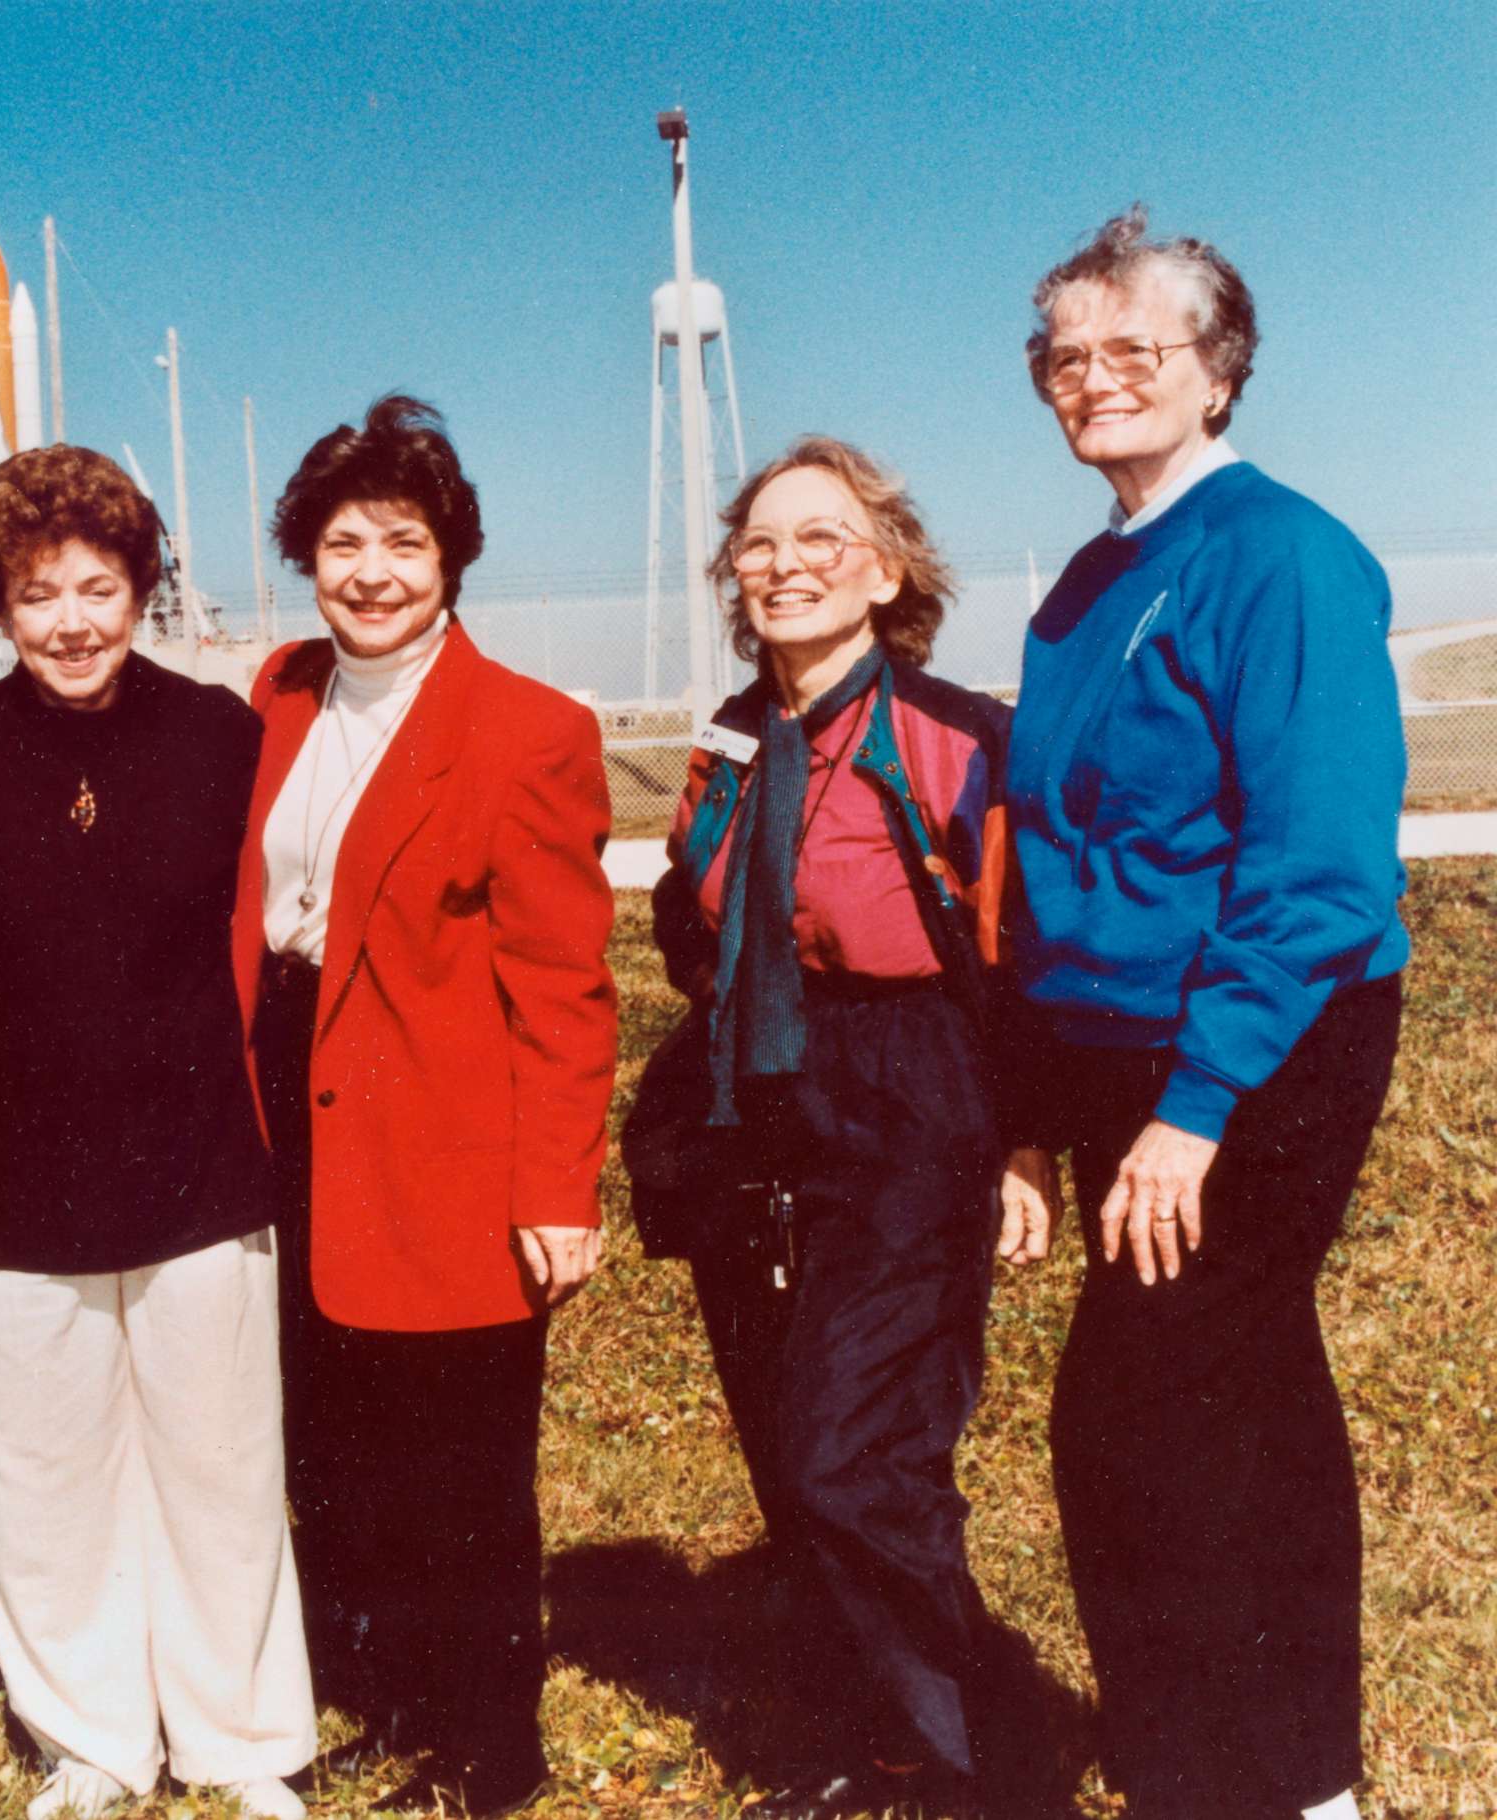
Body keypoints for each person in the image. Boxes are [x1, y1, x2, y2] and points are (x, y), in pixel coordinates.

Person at [1009, 207, 1406, 1820]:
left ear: (1217, 374)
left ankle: (1247, 1779)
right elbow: (1053, 865)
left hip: (1259, 1048)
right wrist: (1040, 1120)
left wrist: (1198, 1105)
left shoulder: (1283, 556)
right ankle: (1271, 1772)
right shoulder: (1088, 582)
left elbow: (1315, 865)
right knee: (1228, 1400)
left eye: (1133, 350)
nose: (1094, 379)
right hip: (1117, 1055)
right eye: (1064, 356)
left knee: (1146, 1422)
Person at [649, 436, 1051, 1819]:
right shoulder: (727, 735)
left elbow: (1018, 951)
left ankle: (972, 1759)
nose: (785, 566)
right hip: (758, 1101)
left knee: (853, 1447)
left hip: (912, 1093)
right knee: (791, 1439)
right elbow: (679, 913)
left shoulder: (953, 734)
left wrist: (1023, 1143)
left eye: (821, 539)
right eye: (759, 545)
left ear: (882, 571)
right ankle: (880, 1729)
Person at [232, 396, 617, 1818]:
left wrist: (556, 1188)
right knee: (320, 1440)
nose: (372, 572)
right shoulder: (276, 694)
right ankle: (379, 1697)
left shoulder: (526, 729)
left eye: (402, 541)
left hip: (438, 1123)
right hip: (284, 1098)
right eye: (343, 543)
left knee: (455, 1459)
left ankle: (485, 1747)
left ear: (451, 556)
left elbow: (567, 985)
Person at [0, 446, 317, 1820]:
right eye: (40, 595)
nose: (74, 620)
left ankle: (242, 1738)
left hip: (200, 1163)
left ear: (142, 588)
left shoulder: (221, 736)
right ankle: (88, 1736)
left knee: (220, 1465)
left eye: (99, 587)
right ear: (0, 604)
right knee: (43, 1476)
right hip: (27, 1183)